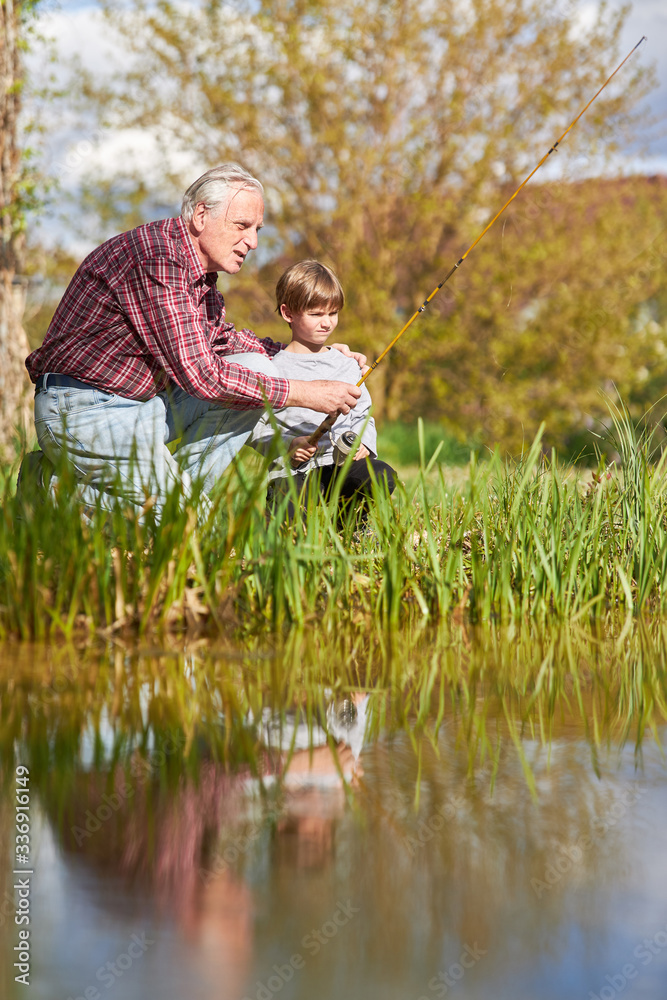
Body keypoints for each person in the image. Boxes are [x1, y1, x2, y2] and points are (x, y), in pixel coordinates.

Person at [22, 164, 364, 517]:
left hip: (141, 406)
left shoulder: (199, 273)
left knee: (259, 367)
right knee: (188, 521)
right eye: (242, 226)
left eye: (257, 229)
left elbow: (222, 341)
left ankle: (176, 507)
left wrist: (307, 348)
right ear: (202, 214)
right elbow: (200, 374)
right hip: (83, 411)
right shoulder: (158, 259)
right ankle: (51, 494)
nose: (254, 242)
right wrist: (307, 392)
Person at [250, 260, 396, 524]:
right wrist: (287, 446)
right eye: (316, 314)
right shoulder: (270, 369)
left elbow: (364, 416)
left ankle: (350, 529)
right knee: (286, 525)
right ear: (288, 313)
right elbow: (256, 428)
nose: (327, 323)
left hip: (341, 465)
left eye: (333, 313)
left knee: (382, 476)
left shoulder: (349, 364)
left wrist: (364, 443)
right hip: (293, 471)